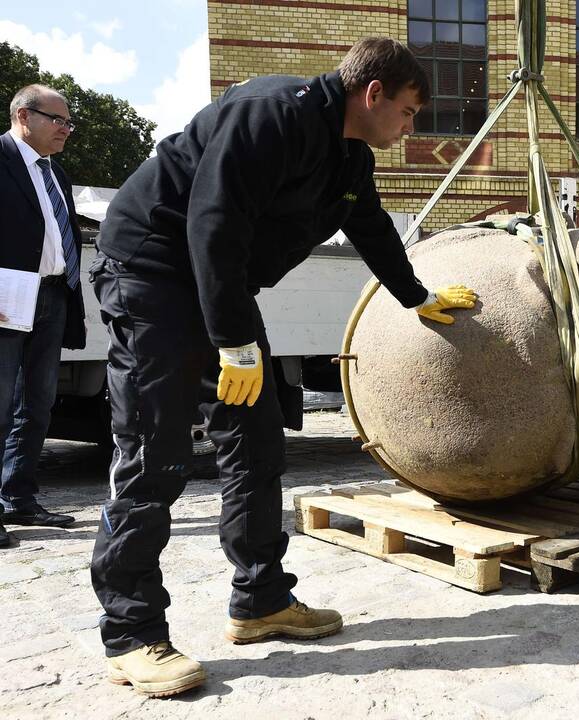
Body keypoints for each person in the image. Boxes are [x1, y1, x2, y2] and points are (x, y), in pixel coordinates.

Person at [89, 37, 477, 697]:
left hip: (219, 284)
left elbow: (373, 228)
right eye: (409, 111)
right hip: (153, 267)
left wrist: (419, 298)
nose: (412, 128)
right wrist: (235, 342)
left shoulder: (348, 155)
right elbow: (211, 222)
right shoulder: (272, 113)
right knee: (154, 451)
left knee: (257, 441)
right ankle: (131, 635)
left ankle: (261, 601)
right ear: (373, 93)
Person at [0, 84, 85, 548]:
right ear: (23, 116)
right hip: (6, 297)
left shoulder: (56, 172)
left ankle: (19, 498)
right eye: (57, 119)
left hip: (51, 296)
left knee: (37, 404)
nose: (65, 129)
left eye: (68, 122)